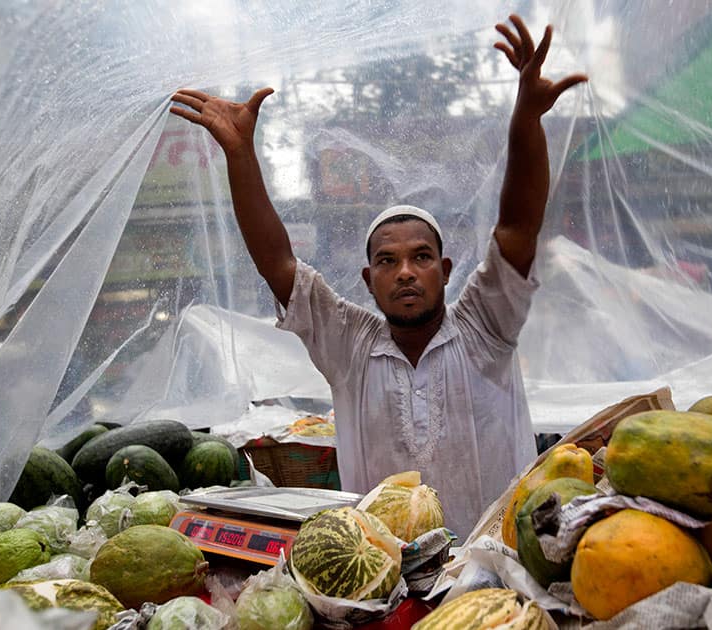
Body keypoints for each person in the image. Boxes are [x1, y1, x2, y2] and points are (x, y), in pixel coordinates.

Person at [171, 15, 586, 536]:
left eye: (421, 257)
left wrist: (526, 119)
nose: (406, 272)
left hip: (493, 571)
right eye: (388, 262)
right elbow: (279, 264)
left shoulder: (486, 326)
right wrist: (240, 155)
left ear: (447, 270)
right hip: (386, 579)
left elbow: (519, 225)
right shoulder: (349, 346)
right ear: (368, 281)